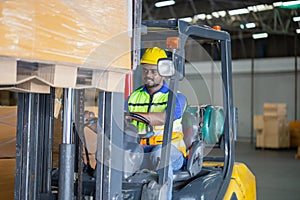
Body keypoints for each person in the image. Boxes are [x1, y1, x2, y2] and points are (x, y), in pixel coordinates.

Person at [125, 47, 187, 199]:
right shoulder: (133, 97)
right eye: (145, 70)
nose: (148, 75)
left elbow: (165, 117)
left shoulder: (177, 97)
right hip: (140, 150)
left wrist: (133, 115)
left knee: (160, 153)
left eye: (154, 71)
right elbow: (120, 118)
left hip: (171, 151)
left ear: (164, 72)